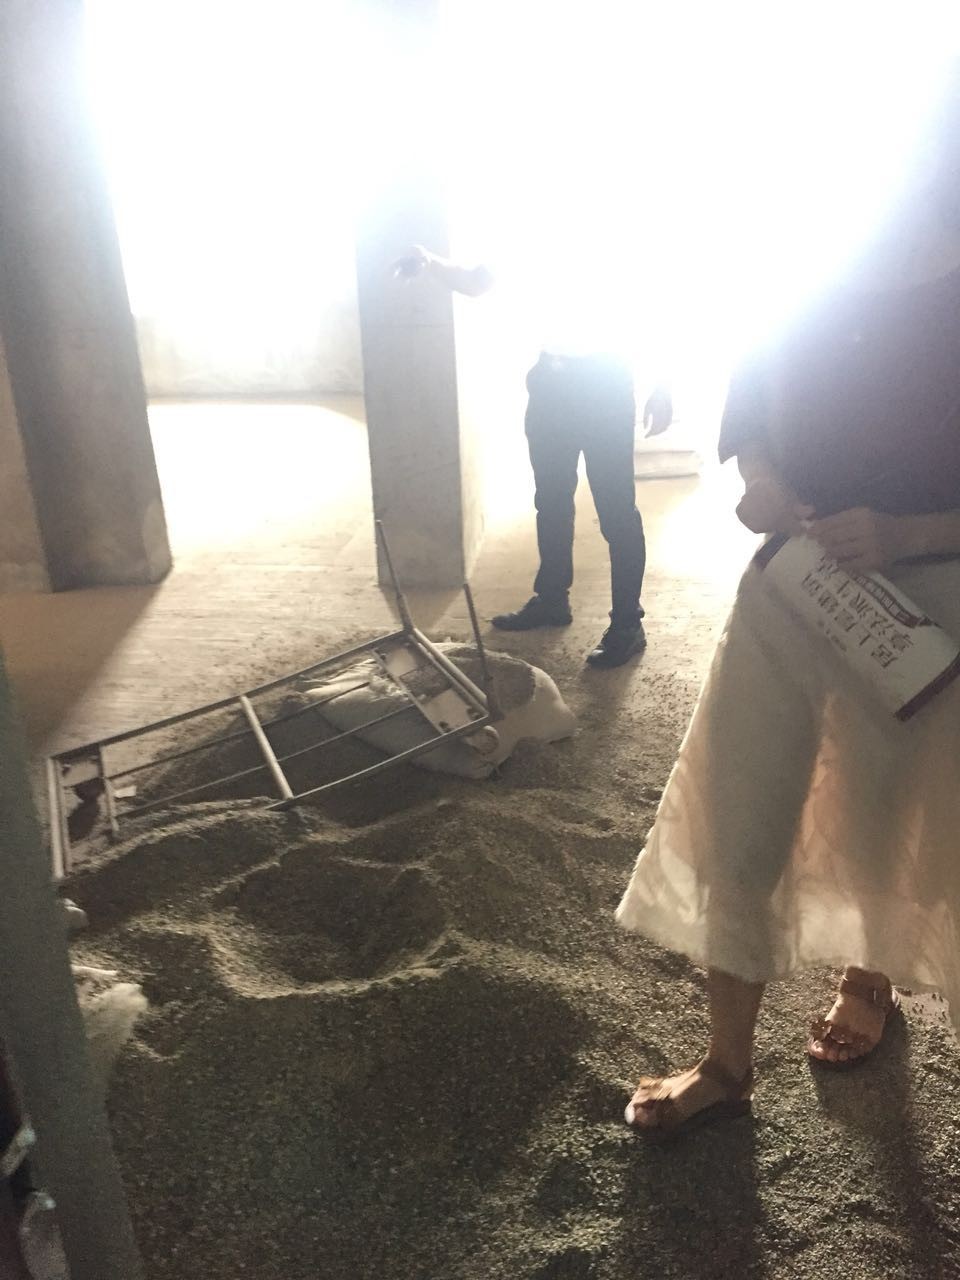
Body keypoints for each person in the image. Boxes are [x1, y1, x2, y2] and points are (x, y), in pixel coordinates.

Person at [614, 82, 960, 1137]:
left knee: (902, 813)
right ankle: (726, 1061)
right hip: (795, 584)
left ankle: (867, 976)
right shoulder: (805, 270)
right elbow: (751, 421)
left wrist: (908, 532)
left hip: (933, 598)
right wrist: (762, 480)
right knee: (746, 802)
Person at [394, 244, 673, 669]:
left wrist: (663, 385)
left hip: (605, 383)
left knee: (617, 511)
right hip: (551, 383)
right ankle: (552, 599)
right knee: (552, 500)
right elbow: (476, 280)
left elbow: (657, 306)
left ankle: (627, 625)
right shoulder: (534, 242)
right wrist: (430, 261)